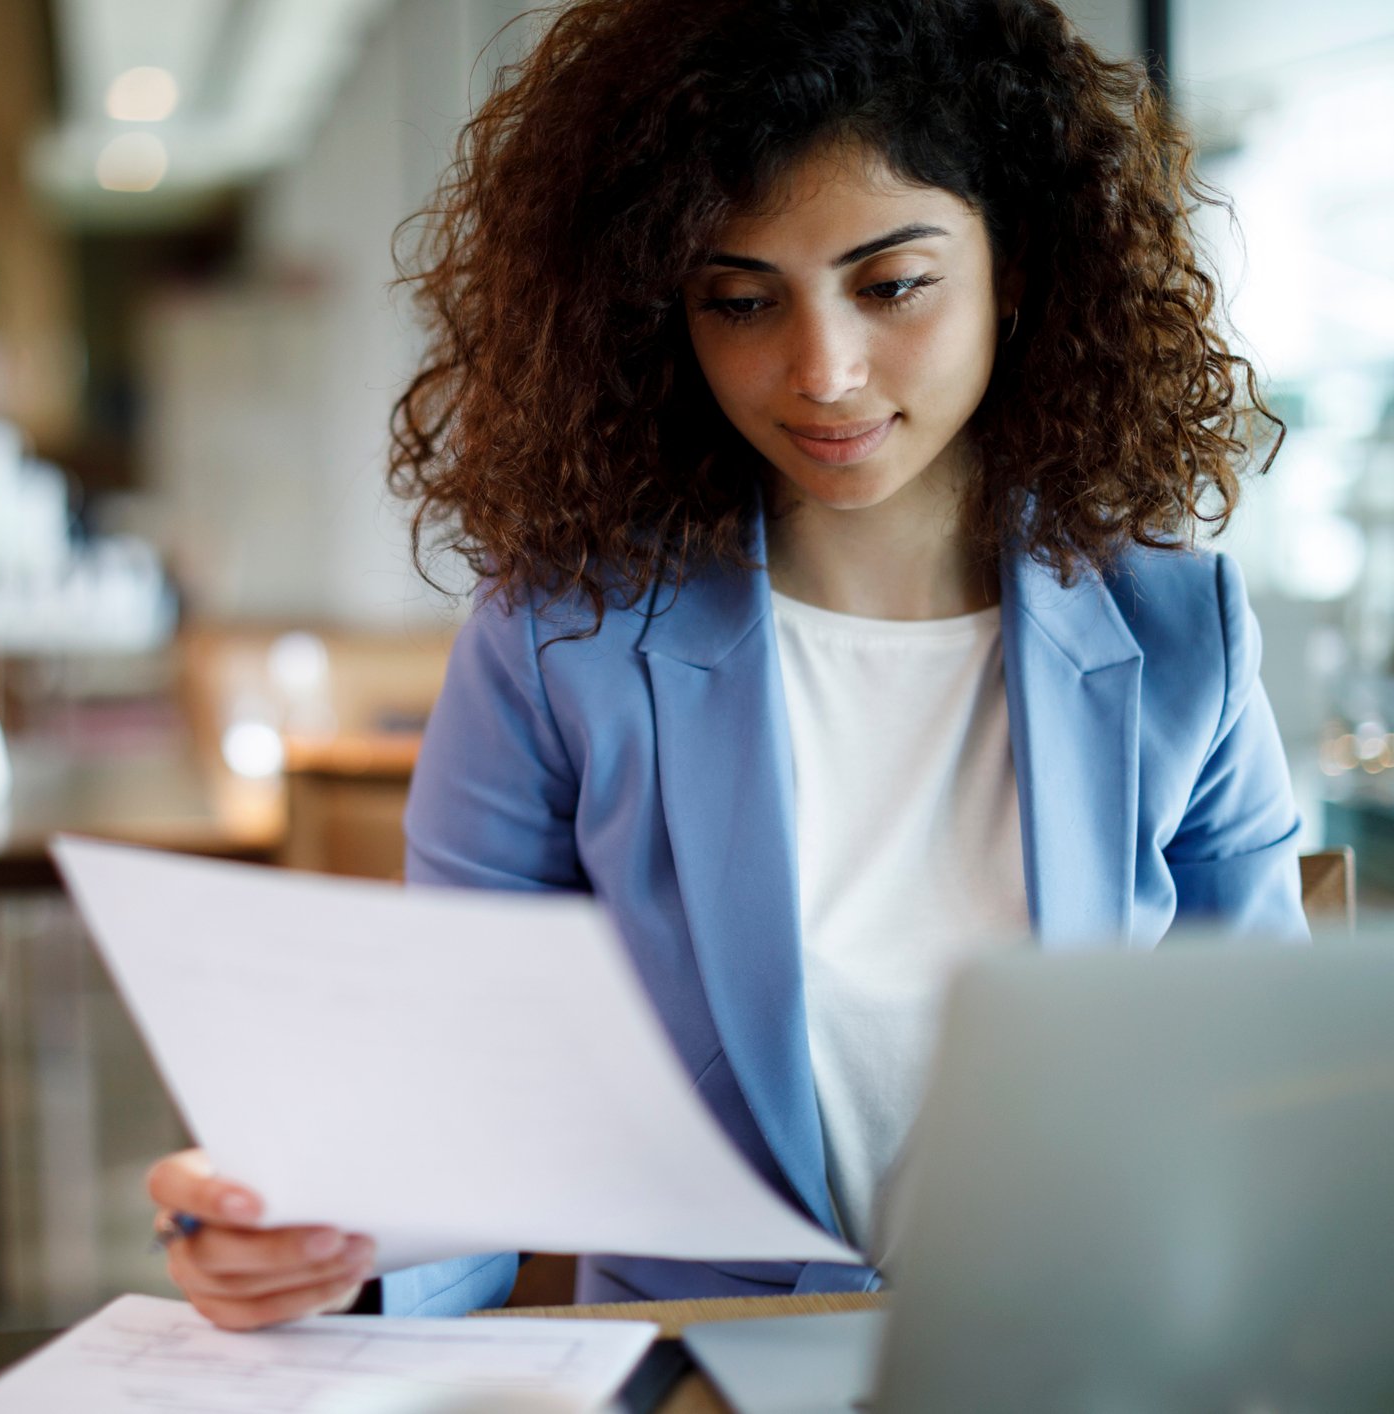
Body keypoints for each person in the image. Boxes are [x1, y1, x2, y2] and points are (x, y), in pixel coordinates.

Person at [146, 0, 1306, 1329]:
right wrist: (326, 1240)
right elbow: (459, 1112)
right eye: (742, 300)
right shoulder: (556, 636)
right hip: (694, 1369)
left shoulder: (1179, 636)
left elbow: (1258, 1099)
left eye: (891, 284)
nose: (822, 370)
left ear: (1019, 265)